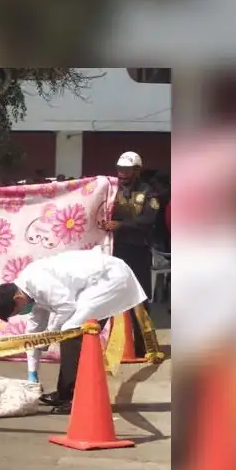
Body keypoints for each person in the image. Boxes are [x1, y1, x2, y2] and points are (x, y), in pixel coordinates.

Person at [0, 248, 148, 415]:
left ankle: (73, 397)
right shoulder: (29, 293)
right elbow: (33, 335)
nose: (22, 313)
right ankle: (65, 393)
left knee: (72, 331)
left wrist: (51, 333)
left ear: (18, 299)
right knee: (70, 331)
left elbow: (67, 307)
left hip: (110, 278)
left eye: (17, 311)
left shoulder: (39, 283)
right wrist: (32, 373)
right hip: (97, 282)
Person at [99, 151, 160, 357]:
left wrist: (121, 225)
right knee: (107, 294)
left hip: (138, 251)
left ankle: (145, 346)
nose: (122, 174)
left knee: (139, 297)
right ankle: (98, 342)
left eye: (126, 170)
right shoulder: (110, 189)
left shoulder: (149, 192)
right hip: (115, 251)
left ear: (137, 170)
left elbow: (148, 220)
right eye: (119, 169)